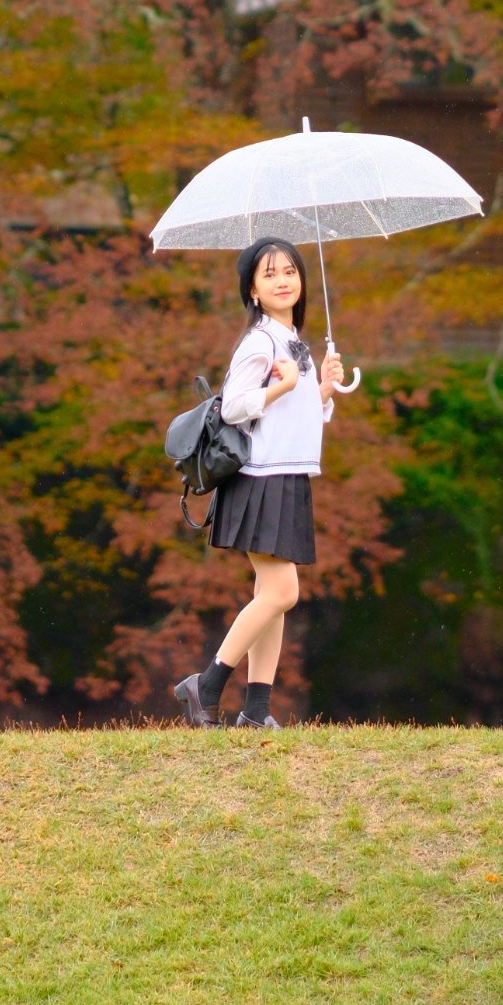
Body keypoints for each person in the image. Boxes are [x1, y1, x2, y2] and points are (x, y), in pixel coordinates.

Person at [172, 235, 344, 730]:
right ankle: (204, 686)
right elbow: (232, 405)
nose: (283, 280)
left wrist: (321, 390)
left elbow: (299, 415)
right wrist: (284, 385)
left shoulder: (294, 342)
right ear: (252, 289)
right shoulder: (260, 342)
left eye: (289, 270)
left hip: (288, 474)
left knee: (273, 595)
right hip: (259, 477)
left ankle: (257, 710)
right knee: (280, 592)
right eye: (269, 274)